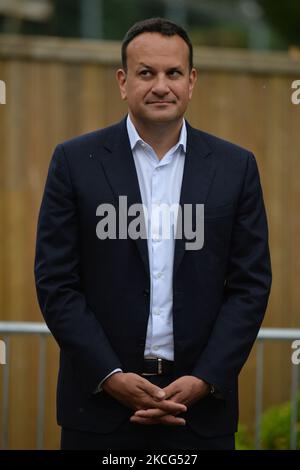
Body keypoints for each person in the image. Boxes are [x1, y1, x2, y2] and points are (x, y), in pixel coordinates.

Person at [34, 17, 272, 450]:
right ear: (123, 82)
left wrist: (205, 379)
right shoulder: (74, 162)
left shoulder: (236, 168)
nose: (161, 85)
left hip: (200, 414)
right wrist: (111, 376)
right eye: (146, 73)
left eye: (173, 73)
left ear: (192, 81)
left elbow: (250, 286)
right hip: (99, 411)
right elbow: (56, 283)